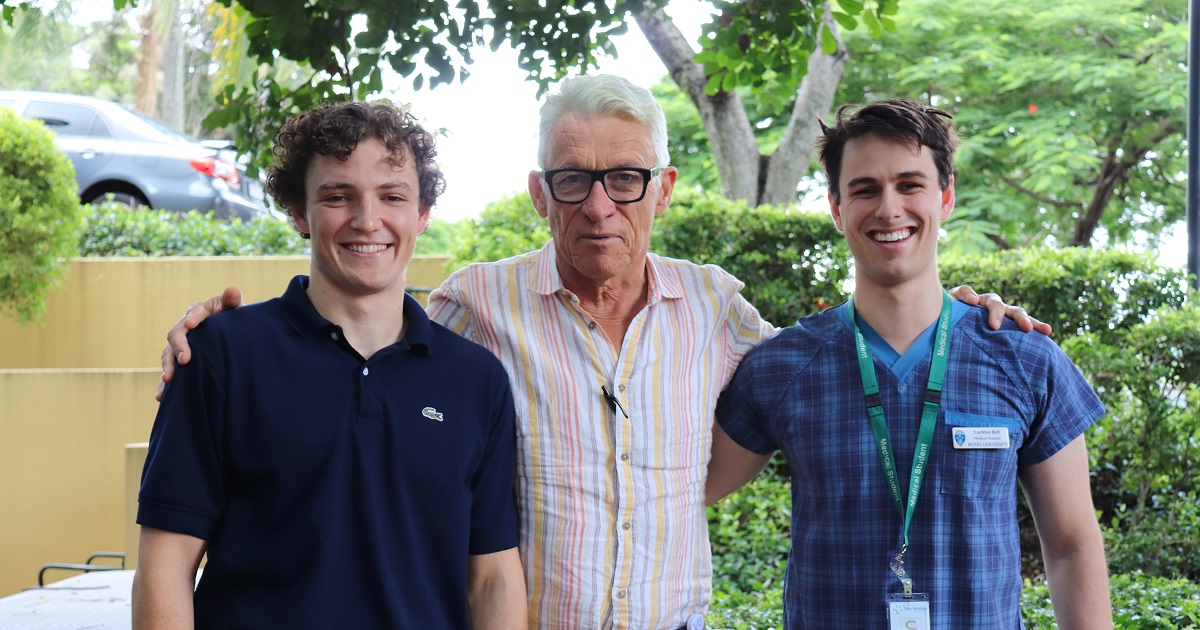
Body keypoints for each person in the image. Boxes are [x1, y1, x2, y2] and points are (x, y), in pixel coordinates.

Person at [156, 77, 1044, 629]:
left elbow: (838, 367)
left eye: (625, 179)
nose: (599, 206)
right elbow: (362, 309)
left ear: (662, 187)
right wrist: (232, 330)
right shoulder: (475, 305)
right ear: (541, 191)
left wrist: (960, 313)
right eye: (573, 180)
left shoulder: (717, 307)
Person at [708, 99, 1112, 629]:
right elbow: (676, 490)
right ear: (835, 207)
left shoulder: (1025, 358)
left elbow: (1071, 545)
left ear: (945, 197)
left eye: (910, 184)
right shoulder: (784, 366)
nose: (889, 209)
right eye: (865, 189)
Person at [132, 101, 526, 629]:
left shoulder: (477, 381)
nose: (368, 220)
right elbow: (167, 560)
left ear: (422, 213)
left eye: (392, 196)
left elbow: (493, 576)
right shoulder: (222, 354)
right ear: (299, 211)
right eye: (338, 197)